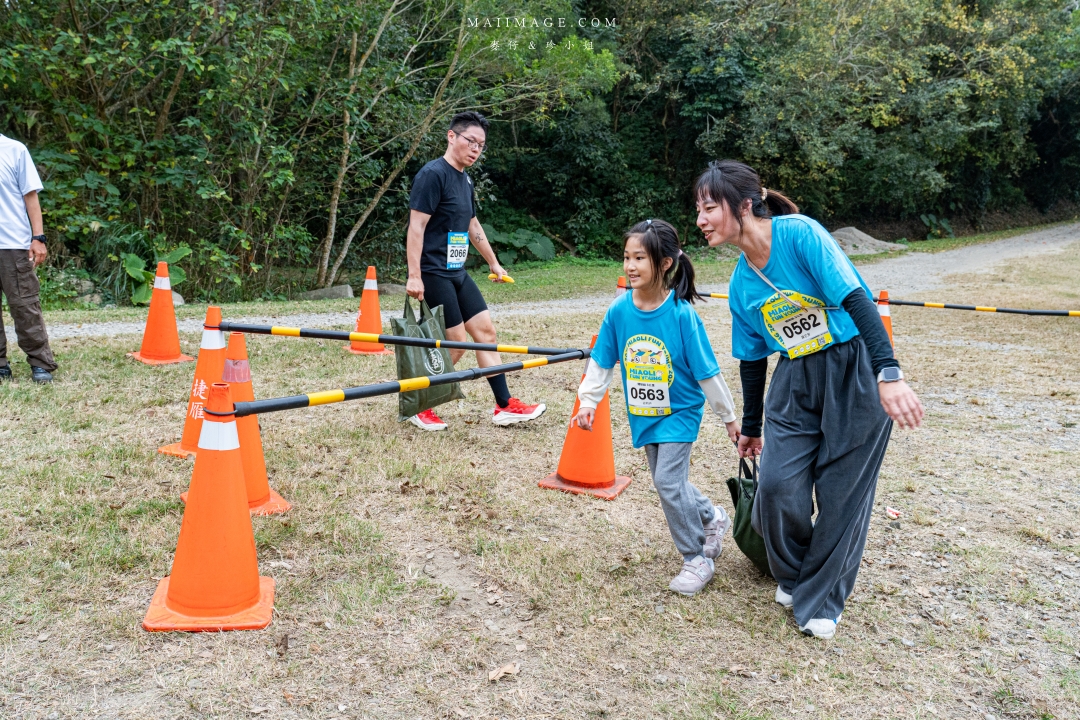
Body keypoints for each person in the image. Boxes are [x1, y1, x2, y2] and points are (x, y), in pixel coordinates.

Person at [694, 159, 924, 639]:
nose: (700, 219)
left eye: (709, 207)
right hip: (795, 378)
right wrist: (751, 426)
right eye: (698, 209)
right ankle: (797, 573)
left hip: (853, 368)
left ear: (743, 205)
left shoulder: (799, 235)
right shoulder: (741, 283)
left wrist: (888, 372)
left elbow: (857, 299)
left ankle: (822, 599)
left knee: (842, 494)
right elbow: (753, 358)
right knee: (777, 488)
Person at [573, 219, 741, 596]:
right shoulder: (619, 311)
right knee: (669, 482)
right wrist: (588, 402)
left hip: (680, 411)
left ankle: (697, 557)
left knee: (666, 481)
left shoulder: (682, 315)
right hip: (644, 414)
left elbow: (707, 373)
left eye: (640, 258)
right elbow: (602, 361)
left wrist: (729, 417)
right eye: (627, 257)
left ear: (664, 263)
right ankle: (712, 516)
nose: (630, 266)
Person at [404, 111, 544, 430]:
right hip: (433, 271)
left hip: (457, 271)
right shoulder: (432, 175)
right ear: (451, 136)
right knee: (455, 343)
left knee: (485, 333)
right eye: (471, 141)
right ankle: (419, 403)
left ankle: (505, 405)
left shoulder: (464, 179)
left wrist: (493, 262)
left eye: (481, 145)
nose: (476, 149)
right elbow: (416, 227)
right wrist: (414, 275)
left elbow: (470, 224)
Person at [0, 133, 56, 384]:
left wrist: (38, 237)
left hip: (13, 243)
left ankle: (40, 362)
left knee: (24, 306)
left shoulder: (13, 149)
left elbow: (30, 195)